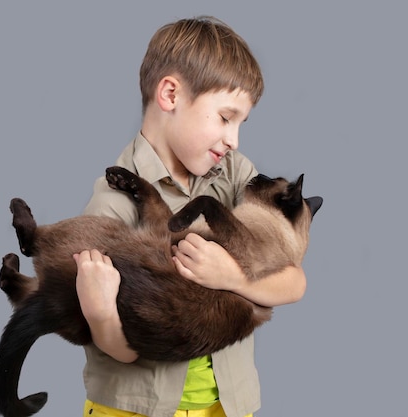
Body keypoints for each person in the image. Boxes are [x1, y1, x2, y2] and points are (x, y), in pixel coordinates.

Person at [72, 16, 307, 417]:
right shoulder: (113, 201)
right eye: (225, 117)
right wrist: (99, 313)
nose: (233, 140)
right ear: (170, 94)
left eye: (240, 124)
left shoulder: (237, 178)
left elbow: (294, 281)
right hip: (136, 408)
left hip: (227, 406)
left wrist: (231, 276)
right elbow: (120, 352)